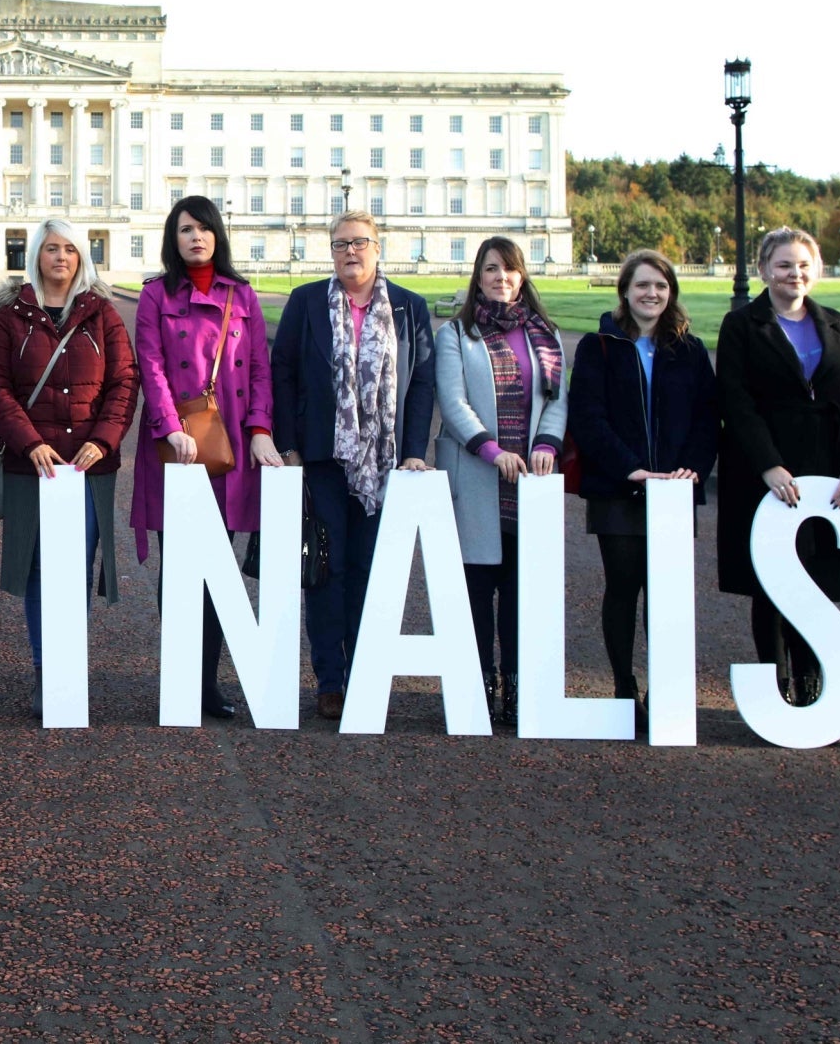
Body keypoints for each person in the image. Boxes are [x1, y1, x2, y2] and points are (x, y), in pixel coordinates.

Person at [270, 210, 437, 723]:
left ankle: (365, 672)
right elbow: (284, 374)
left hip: (384, 463)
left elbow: (423, 383)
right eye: (340, 244)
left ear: (378, 247)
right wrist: (290, 444)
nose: (350, 252)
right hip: (322, 458)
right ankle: (331, 680)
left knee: (370, 571)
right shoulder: (306, 302)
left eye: (360, 242)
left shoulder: (409, 308)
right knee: (326, 569)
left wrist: (414, 450)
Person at [0, 218, 137, 708]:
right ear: (37, 256)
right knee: (38, 570)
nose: (61, 258)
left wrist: (105, 439)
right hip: (34, 466)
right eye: (51, 249)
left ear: (81, 257)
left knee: (75, 569)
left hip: (87, 468)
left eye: (70, 249)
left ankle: (69, 664)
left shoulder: (103, 313)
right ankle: (48, 670)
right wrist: (27, 442)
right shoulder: (12, 314)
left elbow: (124, 382)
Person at [132, 196, 280, 720]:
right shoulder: (154, 295)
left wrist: (261, 429)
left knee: (218, 570)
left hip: (230, 446)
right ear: (173, 239)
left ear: (218, 235)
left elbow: (261, 368)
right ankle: (181, 677)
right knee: (179, 567)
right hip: (176, 446)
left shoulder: (242, 295)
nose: (196, 237)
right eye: (185, 229)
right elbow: (150, 366)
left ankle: (207, 684)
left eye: (204, 228)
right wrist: (171, 428)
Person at [715, 226, 840, 708]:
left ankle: (809, 676)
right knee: (771, 580)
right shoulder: (742, 324)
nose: (794, 274)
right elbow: (736, 402)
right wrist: (768, 465)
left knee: (816, 577)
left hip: (827, 469)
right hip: (764, 470)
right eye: (784, 265)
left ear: (816, 270)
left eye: (803, 265)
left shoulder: (838, 323)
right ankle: (775, 679)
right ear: (765, 270)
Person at [566, 249, 716, 736]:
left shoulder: (688, 349)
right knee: (624, 588)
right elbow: (588, 418)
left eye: (661, 286)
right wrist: (631, 470)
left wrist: (691, 469)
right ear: (625, 292)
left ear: (670, 293)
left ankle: (663, 687)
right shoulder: (599, 345)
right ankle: (624, 686)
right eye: (643, 285)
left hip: (674, 489)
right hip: (619, 489)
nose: (652, 294)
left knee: (666, 595)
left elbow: (706, 420)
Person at [434, 236, 570, 730]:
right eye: (491, 270)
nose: (501, 278)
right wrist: (491, 449)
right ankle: (479, 685)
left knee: (518, 592)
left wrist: (546, 445)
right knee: (476, 589)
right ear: (478, 276)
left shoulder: (544, 334)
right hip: (476, 474)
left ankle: (515, 683)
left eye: (509, 270)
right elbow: (452, 402)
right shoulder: (457, 334)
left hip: (527, 482)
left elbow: (557, 400)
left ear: (521, 277)